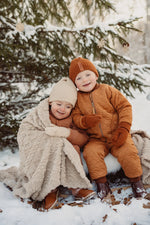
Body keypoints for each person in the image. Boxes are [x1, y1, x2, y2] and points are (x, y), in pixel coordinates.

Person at [0, 77, 96, 211]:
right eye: (59, 104)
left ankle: (76, 187)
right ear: (51, 102)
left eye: (68, 106)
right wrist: (49, 139)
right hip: (43, 151)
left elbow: (83, 138)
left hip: (65, 153)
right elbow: (26, 132)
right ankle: (49, 188)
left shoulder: (73, 119)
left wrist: (66, 133)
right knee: (53, 142)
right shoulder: (40, 114)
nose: (62, 109)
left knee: (71, 147)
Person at [69, 57, 147, 200]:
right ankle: (101, 185)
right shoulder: (77, 99)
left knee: (128, 152)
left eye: (88, 74)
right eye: (79, 78)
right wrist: (85, 121)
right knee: (91, 153)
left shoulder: (107, 90)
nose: (85, 80)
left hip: (116, 134)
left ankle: (136, 182)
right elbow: (75, 117)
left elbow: (125, 107)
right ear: (75, 83)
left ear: (95, 75)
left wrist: (123, 129)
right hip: (95, 139)